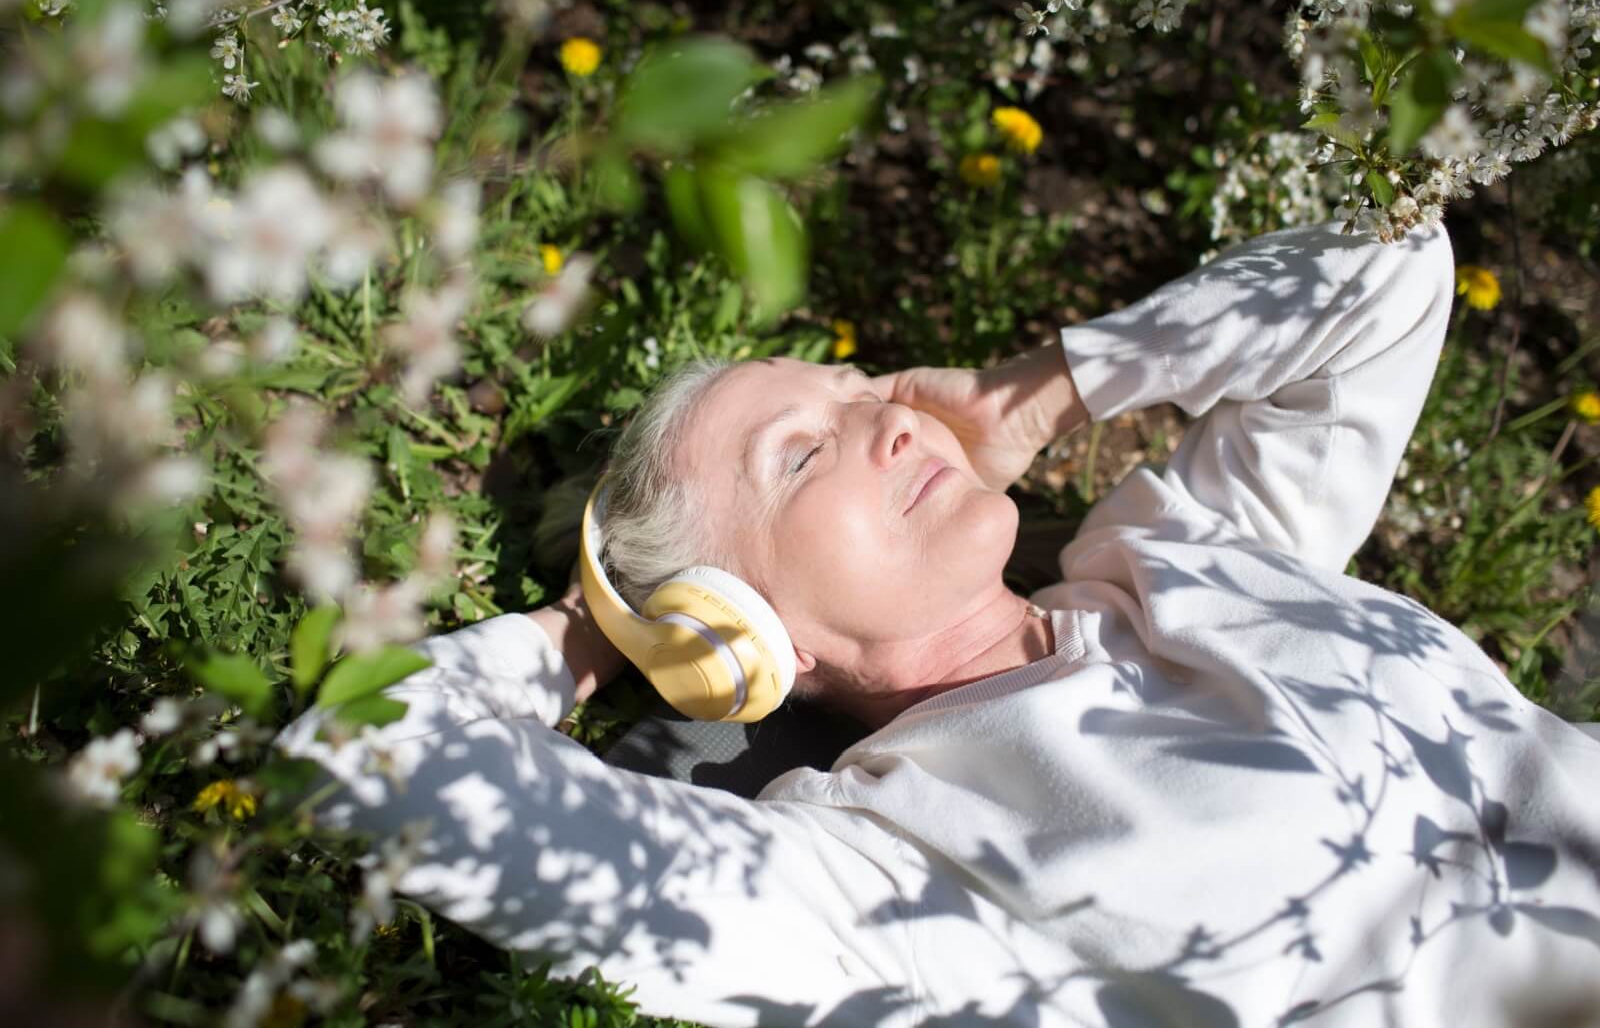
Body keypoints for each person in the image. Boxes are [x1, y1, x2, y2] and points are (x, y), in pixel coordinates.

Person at [274, 220, 1600, 1027]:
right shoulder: (884, 871)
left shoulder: (1180, 547)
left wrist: (1049, 389)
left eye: (859, 394)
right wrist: (583, 635)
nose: (889, 421)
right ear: (739, 630)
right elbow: (372, 752)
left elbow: (1392, 262)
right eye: (801, 456)